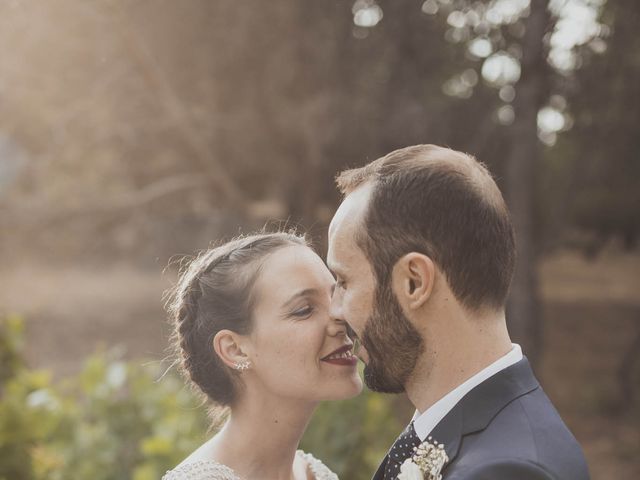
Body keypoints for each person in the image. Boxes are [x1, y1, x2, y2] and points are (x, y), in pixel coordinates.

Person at [327, 145, 590, 480]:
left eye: (344, 281)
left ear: (414, 282)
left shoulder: (506, 471)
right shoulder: (456, 427)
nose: (334, 309)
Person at [163, 232, 363, 480]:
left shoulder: (317, 475)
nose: (341, 317)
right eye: (304, 310)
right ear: (234, 349)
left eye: (336, 297)